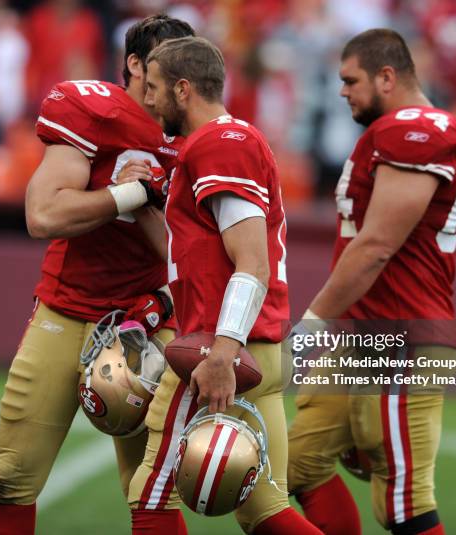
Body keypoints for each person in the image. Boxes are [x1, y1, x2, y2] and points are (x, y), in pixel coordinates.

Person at [0, 15, 195, 535]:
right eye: (161, 66)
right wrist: (131, 193)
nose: (172, 83)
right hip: (68, 311)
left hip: (146, 321)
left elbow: (192, 256)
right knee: (13, 478)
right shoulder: (93, 109)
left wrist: (161, 299)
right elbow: (44, 216)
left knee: (154, 491)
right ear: (135, 64)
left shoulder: (198, 132)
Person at [125, 36, 323, 535]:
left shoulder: (218, 143)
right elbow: (205, 261)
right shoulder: (224, 141)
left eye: (154, 88)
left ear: (184, 89)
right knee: (263, 510)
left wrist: (221, 354)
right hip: (256, 347)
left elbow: (251, 264)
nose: (147, 99)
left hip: (227, 351)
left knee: (151, 494)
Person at [287, 29, 456, 535]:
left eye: (351, 80)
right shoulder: (394, 131)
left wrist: (312, 324)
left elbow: (375, 247)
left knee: (403, 505)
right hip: (363, 333)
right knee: (292, 468)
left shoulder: (417, 129)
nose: (342, 91)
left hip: (403, 336)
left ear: (387, 76)